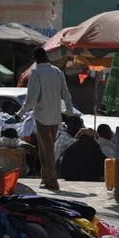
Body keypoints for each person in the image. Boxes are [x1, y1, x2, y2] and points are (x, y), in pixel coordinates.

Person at [16, 47, 74, 190]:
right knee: (47, 149)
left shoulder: (36, 72)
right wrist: (70, 112)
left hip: (42, 117)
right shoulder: (57, 71)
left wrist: (19, 114)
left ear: (35, 59)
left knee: (46, 150)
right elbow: (66, 94)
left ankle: (52, 180)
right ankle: (46, 178)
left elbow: (32, 98)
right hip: (55, 116)